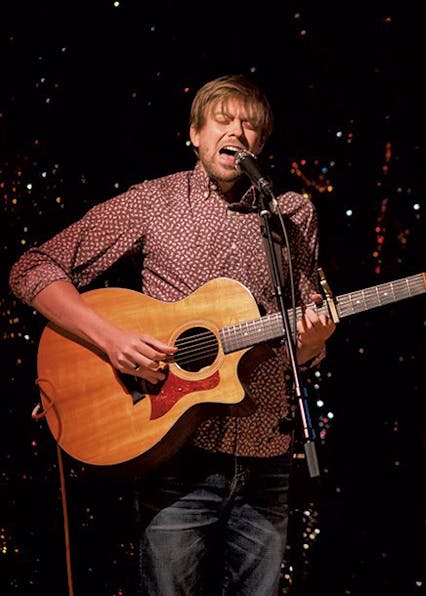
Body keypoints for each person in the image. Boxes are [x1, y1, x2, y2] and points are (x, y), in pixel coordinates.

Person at [9, 74, 335, 595]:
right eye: (223, 120)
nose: (237, 132)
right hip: (175, 448)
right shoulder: (155, 202)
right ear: (196, 134)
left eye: (250, 125)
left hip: (267, 457)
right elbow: (32, 269)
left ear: (262, 143)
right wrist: (111, 341)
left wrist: (315, 342)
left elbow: (300, 332)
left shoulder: (292, 214)